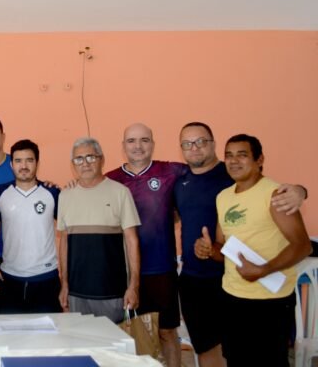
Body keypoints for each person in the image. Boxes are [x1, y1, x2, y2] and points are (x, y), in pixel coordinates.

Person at [175, 122, 307, 367]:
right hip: (232, 294)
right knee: (235, 358)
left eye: (242, 155)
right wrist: (209, 249)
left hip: (270, 298)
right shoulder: (223, 196)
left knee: (269, 361)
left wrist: (263, 270)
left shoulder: (274, 194)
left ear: (259, 160)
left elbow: (303, 246)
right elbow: (222, 246)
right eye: (230, 155)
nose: (234, 161)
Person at [106, 123, 187, 366]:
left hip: (161, 269)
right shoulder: (110, 179)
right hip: (124, 273)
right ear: (123, 146)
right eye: (131, 141)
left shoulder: (171, 171)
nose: (138, 146)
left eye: (144, 140)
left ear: (153, 143)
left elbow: (209, 170)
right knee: (129, 334)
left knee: (167, 332)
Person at [57, 137, 140, 324]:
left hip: (112, 293)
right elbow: (64, 243)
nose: (85, 163)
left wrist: (134, 286)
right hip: (76, 294)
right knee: (79, 340)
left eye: (91, 157)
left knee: (112, 341)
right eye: (79, 159)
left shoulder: (120, 192)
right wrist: (64, 284)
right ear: (73, 164)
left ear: (101, 159)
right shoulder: (65, 196)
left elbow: (132, 241)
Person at [0, 139, 61, 314]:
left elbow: (67, 233)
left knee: (48, 330)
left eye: (29, 160)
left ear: (37, 163)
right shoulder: (0, 193)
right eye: (18, 161)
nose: (24, 166)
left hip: (46, 278)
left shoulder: (52, 192)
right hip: (9, 278)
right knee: (8, 330)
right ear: (11, 164)